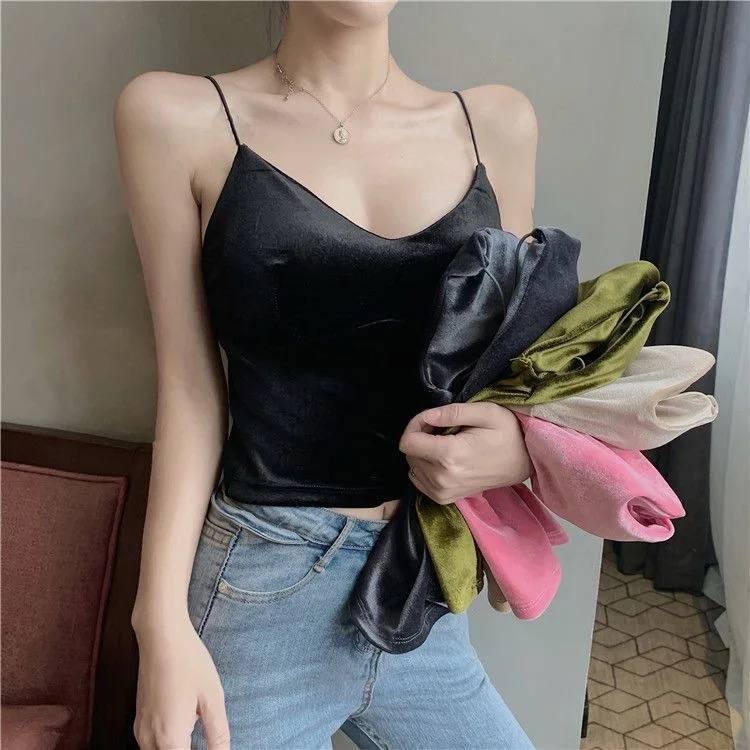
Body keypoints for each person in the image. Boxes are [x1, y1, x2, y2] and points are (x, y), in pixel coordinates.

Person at [114, 2, 538, 748]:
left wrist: (518, 446)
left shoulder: (495, 125)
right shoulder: (176, 117)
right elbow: (188, 388)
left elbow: (514, 370)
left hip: (420, 581)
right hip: (260, 585)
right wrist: (160, 622)